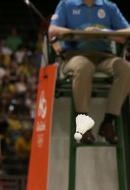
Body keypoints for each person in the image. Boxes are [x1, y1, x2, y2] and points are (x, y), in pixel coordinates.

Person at [49, 0, 130, 144]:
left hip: (104, 56)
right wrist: (76, 33)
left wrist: (104, 32)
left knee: (125, 69)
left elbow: (127, 32)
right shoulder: (66, 4)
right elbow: (52, 30)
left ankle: (107, 123)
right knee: (84, 66)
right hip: (75, 55)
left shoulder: (109, 7)